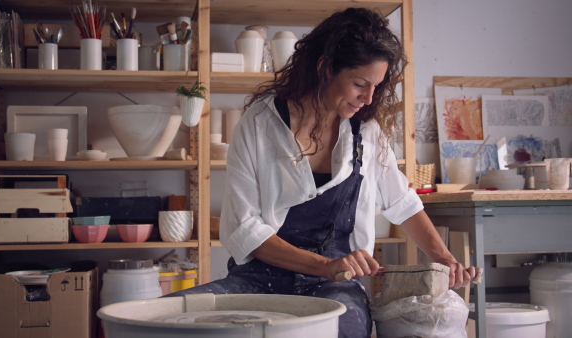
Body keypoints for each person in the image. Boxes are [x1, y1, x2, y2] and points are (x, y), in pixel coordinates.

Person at [165, 7, 475, 337]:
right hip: (257, 279)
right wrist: (324, 266)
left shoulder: (365, 132)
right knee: (169, 318)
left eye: (376, 86)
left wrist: (445, 259)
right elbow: (243, 230)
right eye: (359, 83)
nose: (368, 98)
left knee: (340, 327)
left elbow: (404, 204)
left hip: (338, 288)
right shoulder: (258, 125)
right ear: (325, 67)